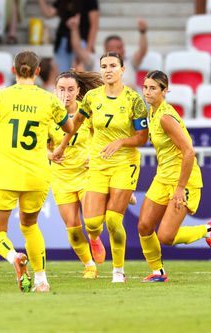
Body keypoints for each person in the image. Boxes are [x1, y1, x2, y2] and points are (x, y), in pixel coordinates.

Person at [52, 52, 148, 283]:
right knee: (93, 224)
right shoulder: (92, 98)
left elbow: (143, 137)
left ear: (122, 70)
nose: (108, 70)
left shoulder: (134, 100)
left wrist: (121, 142)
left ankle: (118, 272)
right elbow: (74, 125)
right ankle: (116, 199)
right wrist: (61, 147)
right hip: (98, 165)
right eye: (104, 66)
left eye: (113, 65)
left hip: (125, 163)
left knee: (114, 221)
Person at [0, 51, 73, 293]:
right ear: (37, 71)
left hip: (4, 172)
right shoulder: (49, 100)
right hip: (36, 173)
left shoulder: (0, 96)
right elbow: (69, 127)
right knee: (30, 225)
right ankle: (42, 280)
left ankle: (14, 258)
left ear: (13, 70)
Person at [138, 70, 211, 283]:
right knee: (144, 226)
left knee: (166, 237)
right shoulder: (152, 112)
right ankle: (158, 272)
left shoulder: (166, 117)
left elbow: (189, 152)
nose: (147, 92)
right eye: (146, 87)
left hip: (182, 180)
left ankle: (208, 229)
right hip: (163, 177)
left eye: (153, 88)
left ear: (165, 91)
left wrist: (179, 188)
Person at [48, 70, 103, 278]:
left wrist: (95, 156)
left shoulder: (86, 113)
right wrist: (50, 154)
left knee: (91, 221)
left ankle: (95, 237)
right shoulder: (48, 115)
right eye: (62, 89)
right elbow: (38, 146)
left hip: (86, 173)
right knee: (72, 226)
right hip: (61, 177)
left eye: (71, 89)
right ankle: (89, 265)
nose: (66, 93)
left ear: (79, 91)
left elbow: (102, 138)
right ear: (55, 91)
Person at [67, 14, 148, 90]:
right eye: (119, 47)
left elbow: (142, 51)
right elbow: (78, 50)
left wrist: (143, 32)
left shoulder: (130, 61)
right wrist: (74, 29)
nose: (123, 50)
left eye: (122, 47)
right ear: (108, 49)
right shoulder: (94, 61)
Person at [38, 0, 99, 72]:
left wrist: (88, 50)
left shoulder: (90, 1)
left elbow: (94, 25)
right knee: (62, 74)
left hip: (80, 41)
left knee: (80, 74)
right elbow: (48, 13)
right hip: (63, 42)